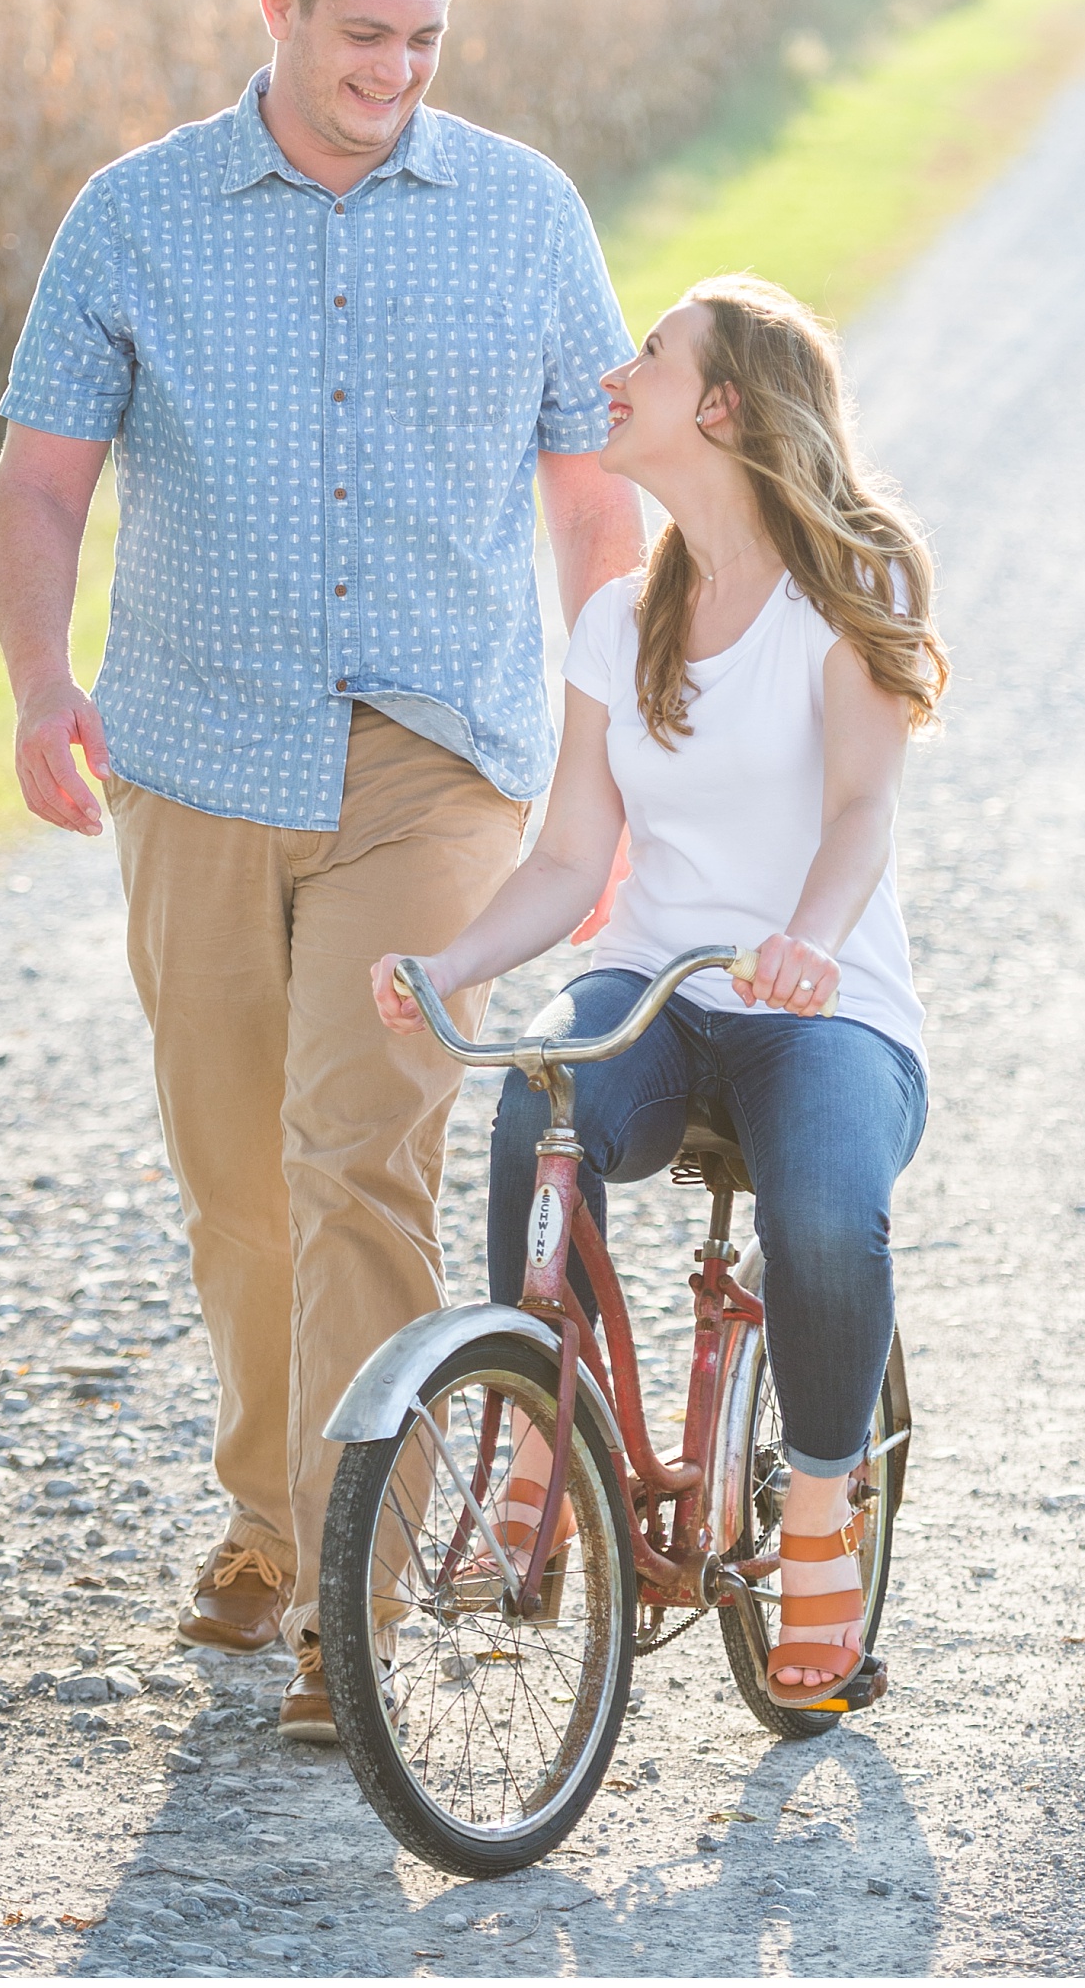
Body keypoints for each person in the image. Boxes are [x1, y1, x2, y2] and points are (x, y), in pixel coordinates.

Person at [0, 0, 641, 1738]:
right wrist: (46, 684)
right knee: (234, 1176)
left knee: (360, 1148)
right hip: (193, 759)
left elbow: (596, 500)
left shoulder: (524, 213)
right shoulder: (136, 217)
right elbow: (40, 490)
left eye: (427, 41)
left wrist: (613, 749)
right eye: (366, 35)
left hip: (438, 766)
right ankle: (269, 1528)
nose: (397, 72)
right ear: (274, 9)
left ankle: (355, 1592)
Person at [373, 274, 946, 1703]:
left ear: (723, 404)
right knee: (535, 1123)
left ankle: (818, 1509)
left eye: (652, 353)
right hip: (659, 992)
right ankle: (543, 1451)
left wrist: (811, 936)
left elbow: (863, 811)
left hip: (822, 1013)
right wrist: (453, 965)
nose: (619, 372)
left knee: (823, 1217)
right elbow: (574, 855)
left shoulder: (845, 596)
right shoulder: (620, 622)